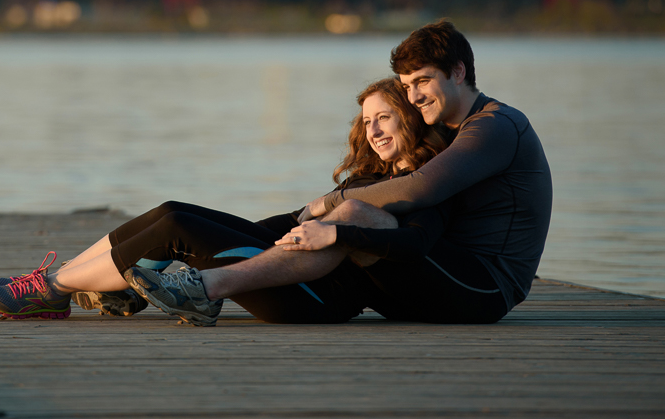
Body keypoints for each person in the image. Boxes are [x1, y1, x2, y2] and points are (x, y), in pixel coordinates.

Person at [126, 19, 552, 326]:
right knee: (282, 224)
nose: (414, 96)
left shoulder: (494, 126)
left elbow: (420, 189)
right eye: (407, 86)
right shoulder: (442, 127)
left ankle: (206, 287)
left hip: (484, 285)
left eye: (423, 81)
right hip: (435, 267)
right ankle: (178, 272)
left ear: (458, 72)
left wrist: (333, 205)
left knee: (350, 217)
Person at [0, 76, 448, 324]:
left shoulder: (426, 185)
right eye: (368, 122)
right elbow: (284, 224)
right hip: (281, 270)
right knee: (172, 212)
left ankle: (52, 291)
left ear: (410, 119)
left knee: (175, 232)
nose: (374, 131)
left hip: (313, 300)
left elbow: (419, 244)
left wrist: (338, 229)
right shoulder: (368, 177)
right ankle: (78, 282)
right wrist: (236, 232)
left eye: (385, 117)